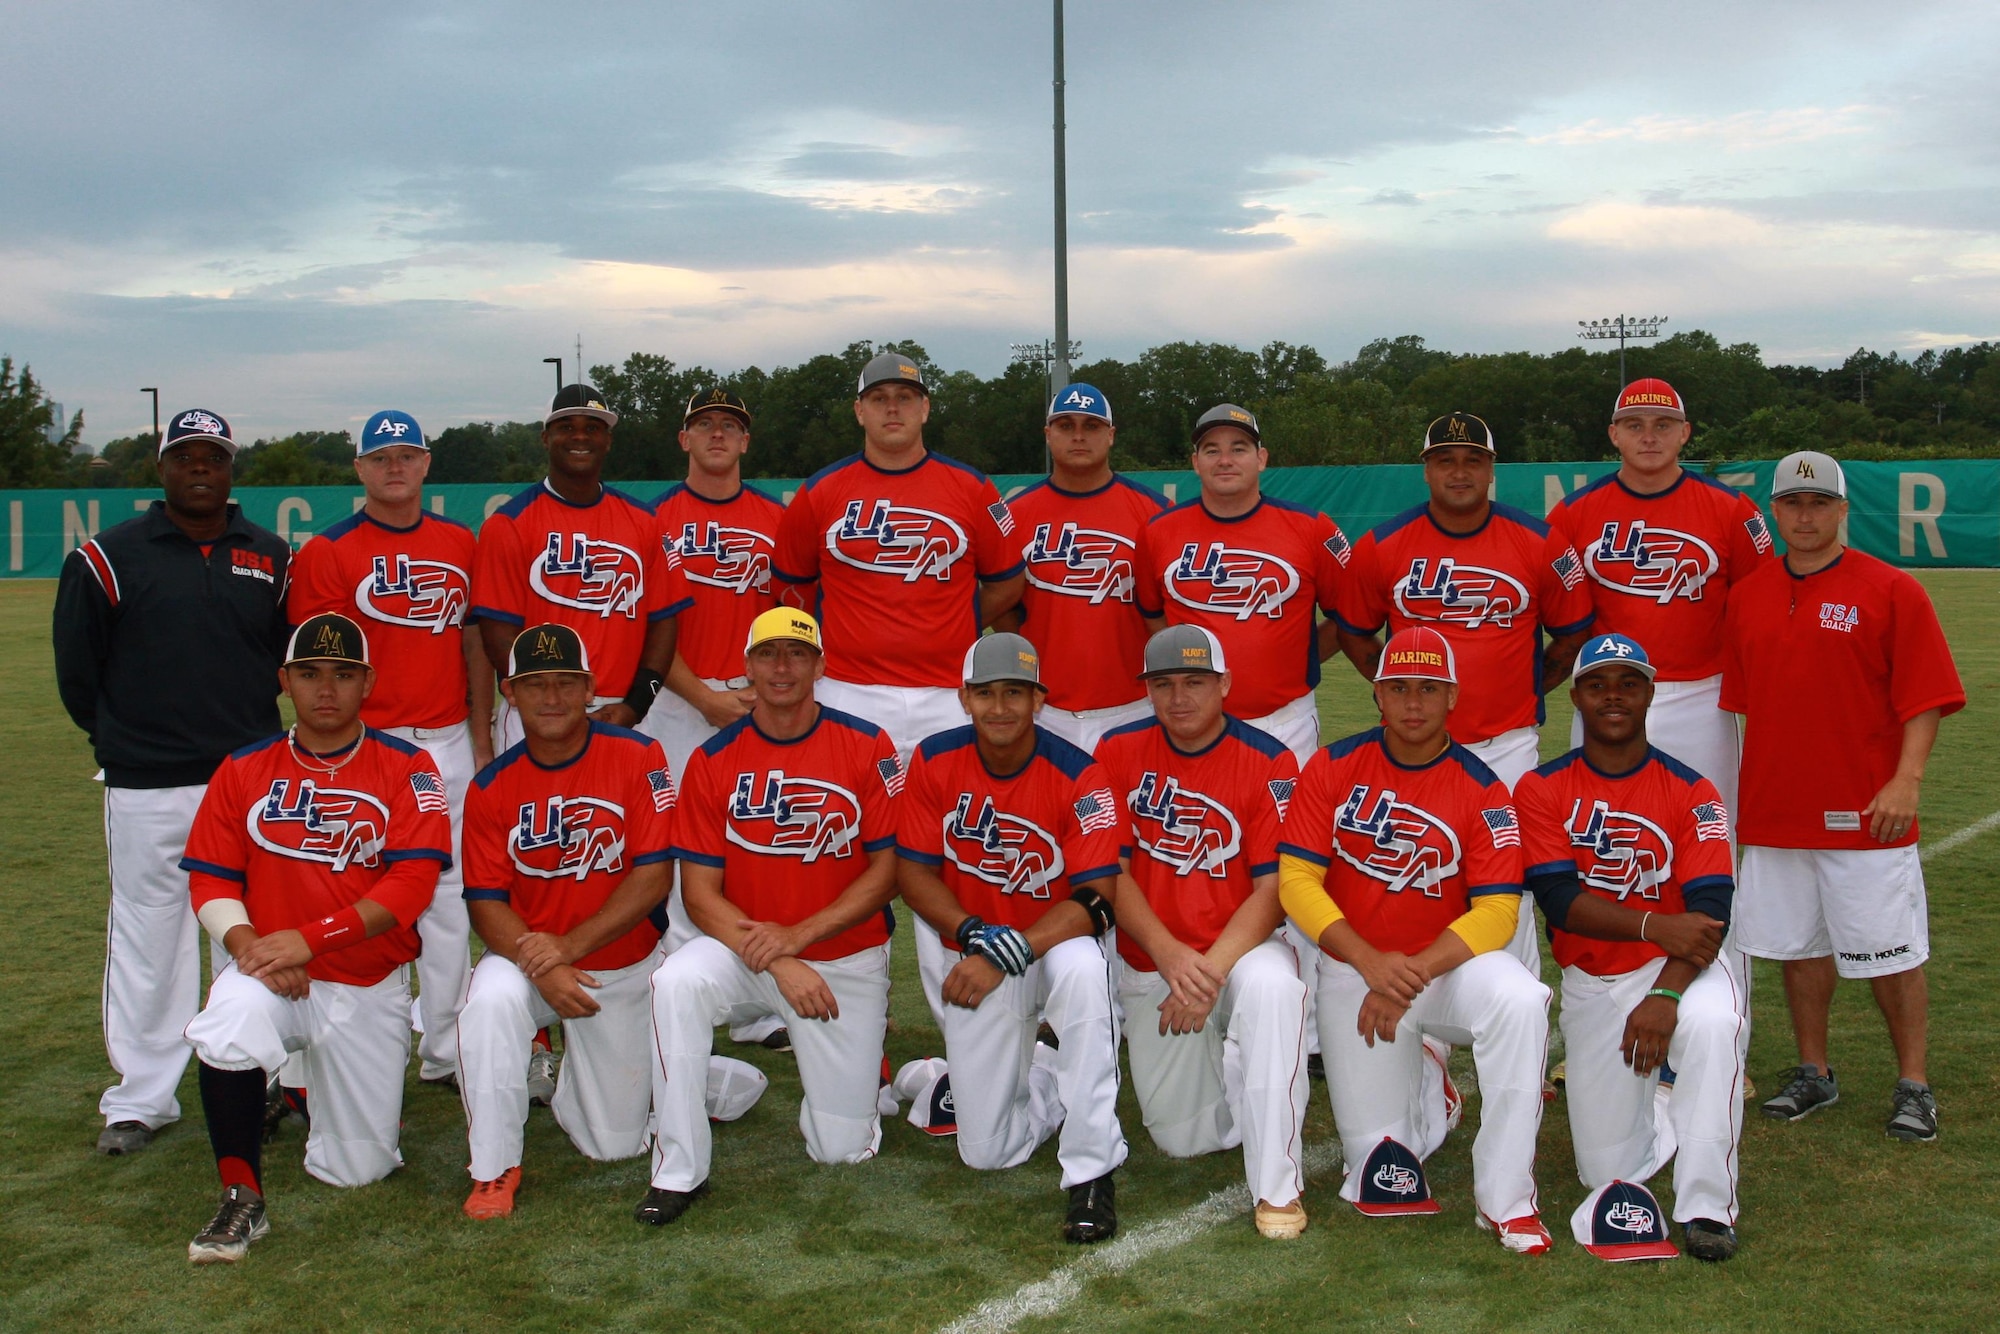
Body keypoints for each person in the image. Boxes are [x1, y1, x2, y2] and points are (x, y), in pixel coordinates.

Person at [455, 624, 765, 1219]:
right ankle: (494, 1168)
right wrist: (541, 966)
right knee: (488, 1002)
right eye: (534, 684)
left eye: (565, 683)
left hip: (617, 965)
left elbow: (652, 877)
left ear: (590, 688)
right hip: (528, 959)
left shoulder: (638, 754)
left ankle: (685, 1073)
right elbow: (485, 902)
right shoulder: (492, 786)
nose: (551, 697)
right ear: (510, 694)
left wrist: (566, 948)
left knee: (615, 1146)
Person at [53, 407, 292, 1156]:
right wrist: (125, 741)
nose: (200, 470)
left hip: (248, 781)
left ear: (230, 469)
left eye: (213, 458)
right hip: (148, 784)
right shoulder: (108, 556)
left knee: (247, 939)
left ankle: (256, 1078)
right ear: (161, 469)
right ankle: (142, 1099)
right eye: (185, 457)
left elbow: (289, 660)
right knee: (149, 940)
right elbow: (76, 675)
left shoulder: (270, 554)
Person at [177, 614, 451, 1262]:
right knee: (227, 1020)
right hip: (273, 973)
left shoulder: (410, 767)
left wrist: (310, 939)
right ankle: (241, 1198)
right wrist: (251, 949)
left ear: (367, 682)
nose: (325, 689)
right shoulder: (244, 769)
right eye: (309, 673)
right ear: (284, 682)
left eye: (343, 674)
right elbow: (210, 882)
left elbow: (412, 885)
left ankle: (298, 1085)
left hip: (365, 981)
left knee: (359, 1169)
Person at [1278, 627, 1553, 1254]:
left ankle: (1507, 1199)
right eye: (1398, 688)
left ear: (1452, 697)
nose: (1412, 703)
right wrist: (1370, 961)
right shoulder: (1332, 766)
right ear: (1376, 693)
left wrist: (1412, 972)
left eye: (1428, 689)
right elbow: (1296, 879)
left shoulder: (1485, 789)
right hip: (1356, 968)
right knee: (1384, 1165)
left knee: (1521, 997)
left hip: (1446, 971)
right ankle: (1431, 1083)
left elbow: (1498, 912)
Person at [774, 351, 1026, 1026]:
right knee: (841, 853)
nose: (893, 408)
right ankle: (852, 1022)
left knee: (956, 852)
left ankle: (970, 1021)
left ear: (925, 408)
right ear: (859, 410)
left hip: (949, 695)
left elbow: (1008, 578)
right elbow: (791, 583)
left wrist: (954, 626)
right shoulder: (822, 491)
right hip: (851, 695)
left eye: (906, 397)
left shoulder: (971, 487)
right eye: (879, 397)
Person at [1722, 452, 1964, 1143]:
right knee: (1799, 948)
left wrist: (1906, 779)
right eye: (1794, 503)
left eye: (1819, 503)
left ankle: (1914, 1084)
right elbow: (1745, 705)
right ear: (1775, 510)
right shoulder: (1749, 596)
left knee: (1890, 951)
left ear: (1842, 510)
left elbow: (1924, 698)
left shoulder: (1890, 589)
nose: (1806, 516)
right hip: (1775, 811)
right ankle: (1814, 1071)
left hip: (1867, 811)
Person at [640, 609, 903, 1226]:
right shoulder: (712, 759)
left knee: (841, 1151)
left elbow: (888, 871)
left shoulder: (868, 744)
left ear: (820, 665)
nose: (782, 668)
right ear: (747, 667)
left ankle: (914, 1078)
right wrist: (782, 956)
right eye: (768, 655)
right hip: (748, 950)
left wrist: (801, 939)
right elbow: (699, 895)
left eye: (796, 654)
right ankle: (679, 1169)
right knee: (675, 982)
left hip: (842, 956)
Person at [1513, 633, 1748, 1262]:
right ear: (1577, 696)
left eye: (1628, 683)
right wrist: (1654, 924)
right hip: (1598, 978)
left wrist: (1668, 991)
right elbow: (1560, 900)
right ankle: (1667, 1100)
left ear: (1650, 693)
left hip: (1684, 969)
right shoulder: (1539, 789)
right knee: (1606, 1171)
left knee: (1716, 1025)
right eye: (1598, 684)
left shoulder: (1694, 791)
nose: (1613, 696)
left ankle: (1707, 1208)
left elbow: (1710, 912)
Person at [1336, 411, 1595, 974]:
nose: (1459, 472)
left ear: (1491, 469)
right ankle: (1423, 1019)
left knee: (1508, 879)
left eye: (1473, 460)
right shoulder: (1383, 543)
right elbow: (1354, 629)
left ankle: (1516, 1010)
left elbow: (1573, 630)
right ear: (1425, 470)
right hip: (1411, 751)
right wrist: (1395, 692)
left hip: (1505, 743)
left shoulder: (1540, 540)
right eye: (1445, 460)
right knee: (1416, 868)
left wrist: (1533, 683)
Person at [892, 633, 1128, 1244]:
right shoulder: (933, 759)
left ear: (1039, 700)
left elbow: (1100, 895)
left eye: (1015, 694)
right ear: (964, 697)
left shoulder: (1079, 770)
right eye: (987, 694)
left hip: (1052, 944)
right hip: (979, 946)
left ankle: (1092, 1169)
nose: (1001, 708)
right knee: (987, 1153)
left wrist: (1014, 948)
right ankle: (1047, 1075)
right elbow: (912, 873)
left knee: (1083, 971)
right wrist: (975, 935)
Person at [288, 409, 491, 1088]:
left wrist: (482, 736)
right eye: (381, 457)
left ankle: (444, 1047)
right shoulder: (328, 551)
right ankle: (349, 1037)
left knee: (447, 897)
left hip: (444, 743)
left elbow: (472, 645)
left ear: (427, 464)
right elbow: (316, 665)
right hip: (365, 750)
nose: (395, 467)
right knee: (349, 889)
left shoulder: (461, 542)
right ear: (360, 469)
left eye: (407, 455)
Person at [1093, 625, 1309, 1240]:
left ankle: (1278, 1189)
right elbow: (1112, 869)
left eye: (1194, 682)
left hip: (1240, 950)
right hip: (1156, 961)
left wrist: (1207, 970)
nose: (1178, 697)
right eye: (1162, 684)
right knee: (1182, 1138)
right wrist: (1169, 956)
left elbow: (1274, 890)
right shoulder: (1116, 750)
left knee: (1275, 991)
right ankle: (1249, 1066)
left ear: (1225, 685)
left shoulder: (1270, 758)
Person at [1546, 380, 1774, 812]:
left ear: (1685, 432)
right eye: (1635, 425)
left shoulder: (1733, 510)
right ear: (1614, 434)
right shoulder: (1572, 515)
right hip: (1606, 694)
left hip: (1702, 698)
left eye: (1663, 425)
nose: (1649, 436)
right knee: (1601, 833)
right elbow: (1554, 615)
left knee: (1709, 828)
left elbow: (1762, 612)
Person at [645, 386, 790, 1050]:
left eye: (730, 425)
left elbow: (794, 618)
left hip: (761, 698)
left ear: (746, 440)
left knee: (762, 843)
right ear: (684, 438)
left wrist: (771, 691)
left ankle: (761, 1006)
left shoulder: (776, 517)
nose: (717, 434)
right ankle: (687, 993)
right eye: (704, 424)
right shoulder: (653, 520)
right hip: (676, 701)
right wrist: (701, 694)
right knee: (682, 850)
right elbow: (648, 630)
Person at [471, 382, 693, 750]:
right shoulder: (508, 523)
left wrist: (635, 705)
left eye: (592, 428)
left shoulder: (644, 520)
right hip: (539, 715)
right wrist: (554, 702)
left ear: (608, 439)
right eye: (566, 427)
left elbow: (663, 622)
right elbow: (498, 633)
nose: (580, 437)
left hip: (623, 713)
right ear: (546, 438)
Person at [1134, 402, 1356, 764]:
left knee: (1287, 822)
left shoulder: (1313, 528)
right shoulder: (1158, 531)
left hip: (1284, 723)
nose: (1225, 460)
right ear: (1195, 463)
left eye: (1238, 448)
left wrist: (1299, 658)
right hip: (1190, 725)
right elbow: (1152, 616)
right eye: (1212, 450)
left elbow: (1351, 616)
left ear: (1261, 458)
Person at [1002, 383, 1168, 752]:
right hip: (1045, 709)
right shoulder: (1015, 515)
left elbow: (1168, 614)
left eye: (1091, 426)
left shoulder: (1155, 513)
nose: (1078, 436)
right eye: (1065, 425)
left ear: (1110, 435)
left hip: (1134, 707)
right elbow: (1004, 606)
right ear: (1048, 434)